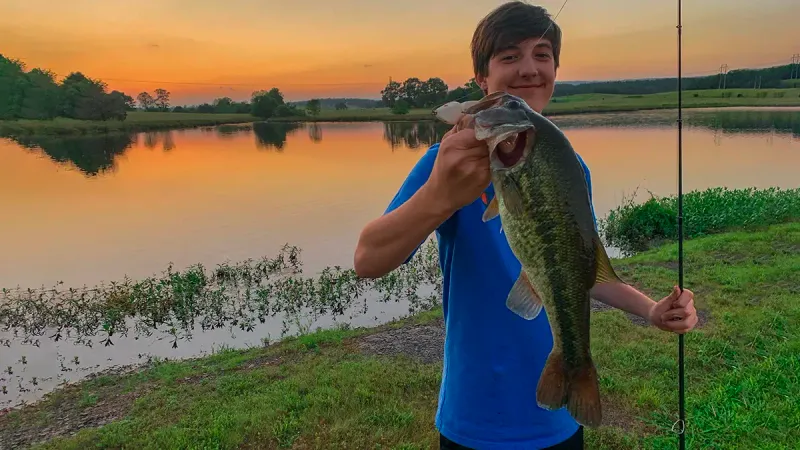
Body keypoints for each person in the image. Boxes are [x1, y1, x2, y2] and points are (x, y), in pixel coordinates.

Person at [353, 2, 699, 449]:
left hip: (556, 427)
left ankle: (573, 365)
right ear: (483, 79)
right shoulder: (447, 164)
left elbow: (578, 270)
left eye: (542, 54)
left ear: (556, 68)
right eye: (509, 56)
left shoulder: (570, 166)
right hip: (472, 418)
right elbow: (367, 260)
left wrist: (650, 309)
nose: (529, 69)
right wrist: (440, 194)